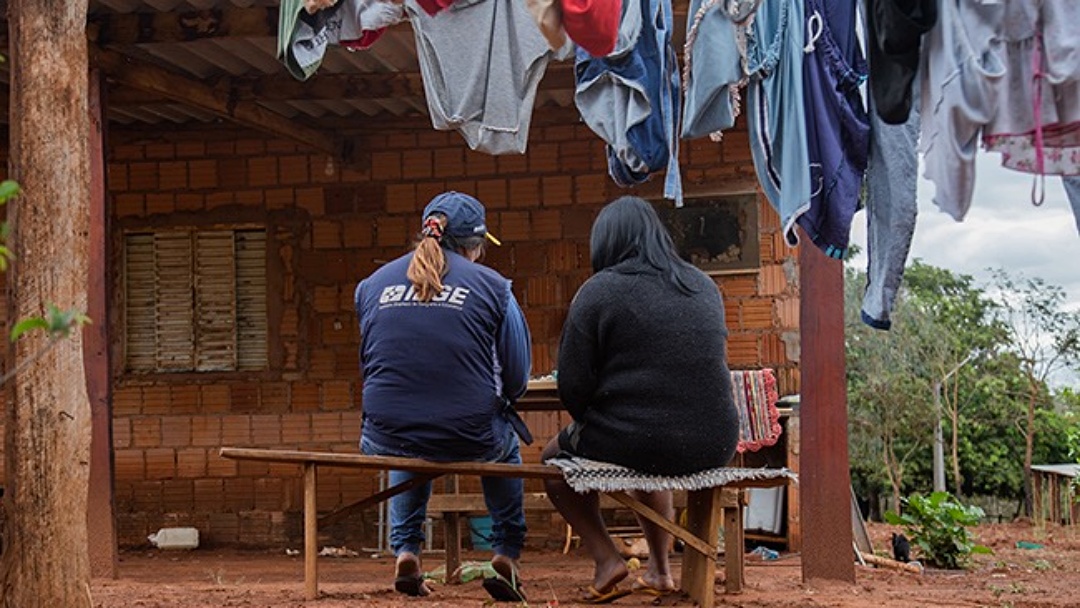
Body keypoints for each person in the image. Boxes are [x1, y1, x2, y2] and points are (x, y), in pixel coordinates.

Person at [541, 195, 741, 603]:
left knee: (551, 463)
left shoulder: (598, 291)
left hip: (637, 438)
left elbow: (573, 387)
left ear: (606, 243)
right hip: (714, 441)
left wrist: (593, 425)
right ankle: (661, 572)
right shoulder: (702, 285)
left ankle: (606, 559)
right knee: (651, 460)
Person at [355, 191, 533, 601]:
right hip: (470, 433)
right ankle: (505, 555)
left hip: (386, 431)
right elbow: (518, 375)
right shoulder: (494, 288)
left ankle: (406, 551)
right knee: (504, 447)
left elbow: (374, 361)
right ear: (475, 245)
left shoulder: (372, 285)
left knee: (408, 441)